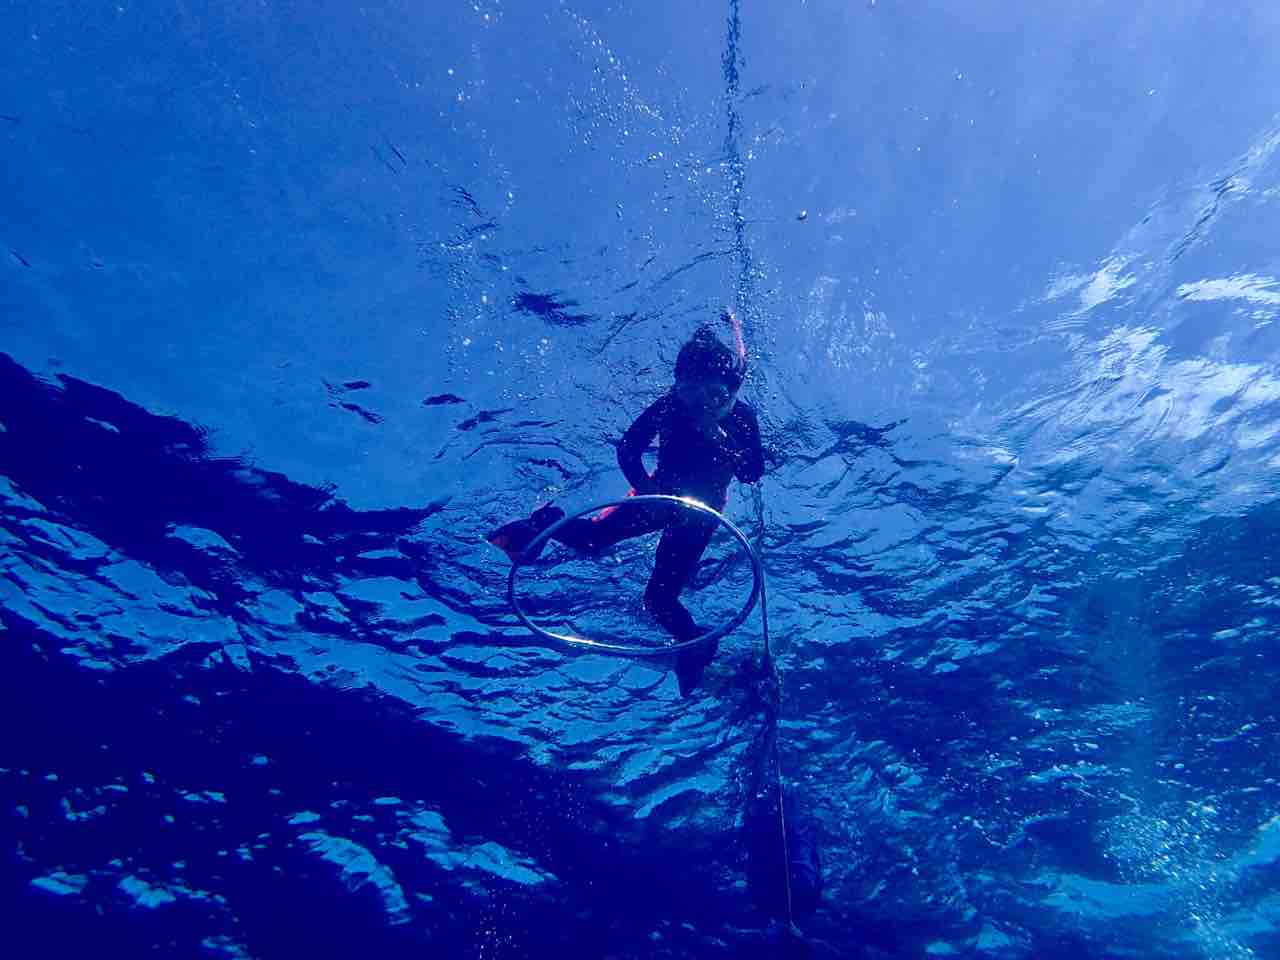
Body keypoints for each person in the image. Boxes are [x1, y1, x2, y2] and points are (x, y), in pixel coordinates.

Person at [487, 312, 765, 696]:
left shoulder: (741, 417)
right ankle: (545, 524)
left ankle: (694, 645)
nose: (698, 405)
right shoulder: (669, 406)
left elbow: (753, 472)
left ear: (728, 391)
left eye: (711, 396)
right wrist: (645, 488)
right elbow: (628, 448)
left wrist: (721, 439)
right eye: (690, 393)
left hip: (700, 515)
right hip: (659, 493)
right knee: (593, 539)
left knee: (658, 600)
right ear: (679, 386)